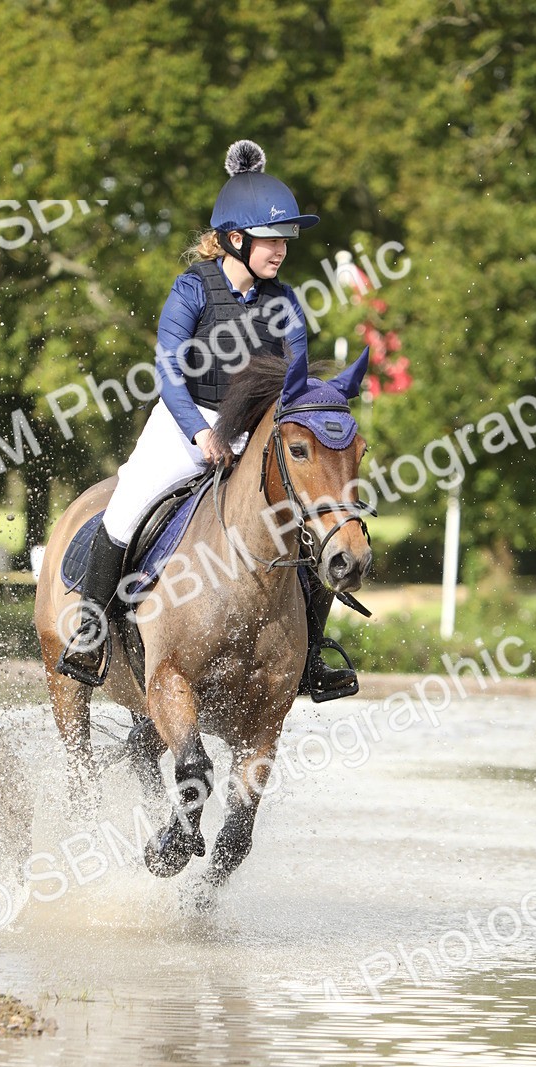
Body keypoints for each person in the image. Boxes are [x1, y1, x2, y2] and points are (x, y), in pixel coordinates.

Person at [58, 139, 357, 698]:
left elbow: (293, 387)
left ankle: (312, 656)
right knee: (125, 510)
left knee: (308, 534)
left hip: (255, 436)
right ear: (236, 239)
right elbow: (168, 370)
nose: (282, 249)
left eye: (286, 238)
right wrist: (200, 433)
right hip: (184, 422)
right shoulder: (193, 288)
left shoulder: (286, 303)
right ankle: (91, 635)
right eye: (273, 238)